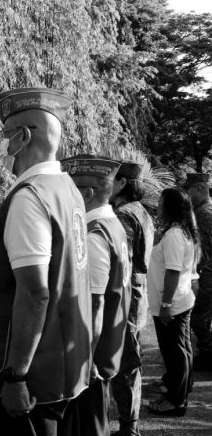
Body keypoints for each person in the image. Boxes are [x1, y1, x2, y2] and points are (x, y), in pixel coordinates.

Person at [0, 87, 92, 436]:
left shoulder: (30, 197)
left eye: (5, 136)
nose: (2, 147)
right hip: (63, 368)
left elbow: (35, 292)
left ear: (22, 137)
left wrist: (15, 375)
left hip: (33, 380)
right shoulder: (67, 189)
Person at [62, 154, 131, 436]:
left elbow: (95, 304)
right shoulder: (112, 225)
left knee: (88, 427)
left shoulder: (94, 234)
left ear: (86, 193)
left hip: (89, 361)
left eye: (71, 189)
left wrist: (86, 359)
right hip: (106, 352)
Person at [109, 161, 154, 436]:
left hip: (127, 296)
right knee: (131, 360)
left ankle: (129, 427)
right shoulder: (142, 211)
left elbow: (119, 262)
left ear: (123, 183)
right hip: (139, 293)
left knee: (125, 363)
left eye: (113, 180)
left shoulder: (124, 214)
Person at [146, 187, 197, 416]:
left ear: (171, 207)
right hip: (179, 301)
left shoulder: (174, 235)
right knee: (182, 351)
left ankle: (175, 401)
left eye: (161, 202)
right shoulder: (179, 231)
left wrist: (166, 305)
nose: (158, 206)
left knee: (174, 354)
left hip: (172, 305)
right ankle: (181, 391)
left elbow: (173, 272)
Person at [184, 172, 212, 371]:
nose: (187, 194)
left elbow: (204, 250)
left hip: (206, 273)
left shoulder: (203, 213)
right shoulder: (204, 209)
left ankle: (208, 354)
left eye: (189, 189)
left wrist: (196, 274)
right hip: (206, 272)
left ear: (201, 188)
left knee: (199, 317)